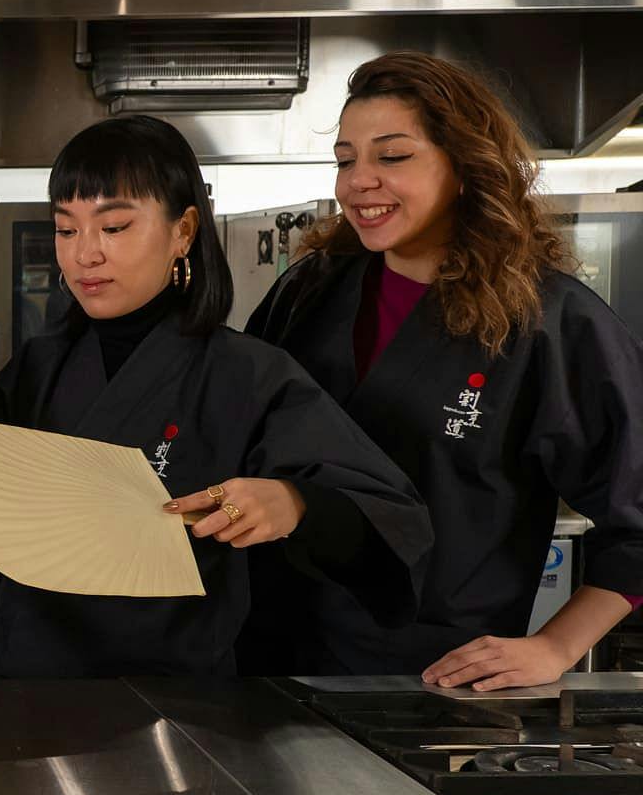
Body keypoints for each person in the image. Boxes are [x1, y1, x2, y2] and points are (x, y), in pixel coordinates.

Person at [0, 115, 430, 677]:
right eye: (66, 229)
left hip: (181, 700)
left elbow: (393, 520)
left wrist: (294, 503)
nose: (85, 254)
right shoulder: (35, 369)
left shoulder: (246, 374)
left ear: (183, 230)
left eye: (115, 227)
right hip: (27, 681)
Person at [246, 51, 643, 687]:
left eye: (392, 156)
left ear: (464, 165)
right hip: (273, 660)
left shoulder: (547, 321)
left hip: (434, 681)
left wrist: (554, 648)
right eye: (347, 159)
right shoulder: (309, 292)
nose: (358, 181)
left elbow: (638, 521)